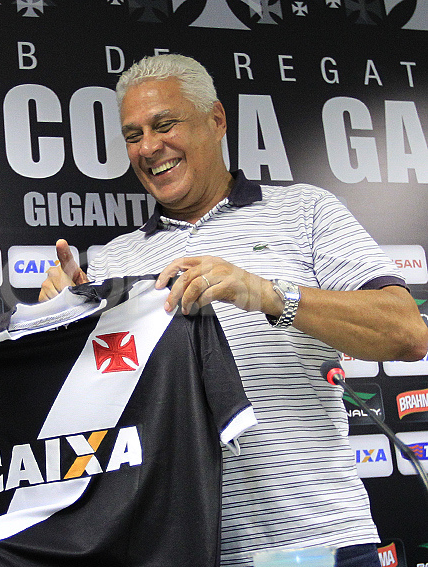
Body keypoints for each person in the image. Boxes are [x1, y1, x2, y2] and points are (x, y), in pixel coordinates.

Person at [40, 53, 428, 567]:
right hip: (173, 552)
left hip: (309, 545)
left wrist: (266, 293)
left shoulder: (305, 211)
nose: (149, 147)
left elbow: (406, 333)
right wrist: (60, 325)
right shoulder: (114, 261)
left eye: (164, 125)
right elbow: (79, 423)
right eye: (134, 135)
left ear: (216, 120)